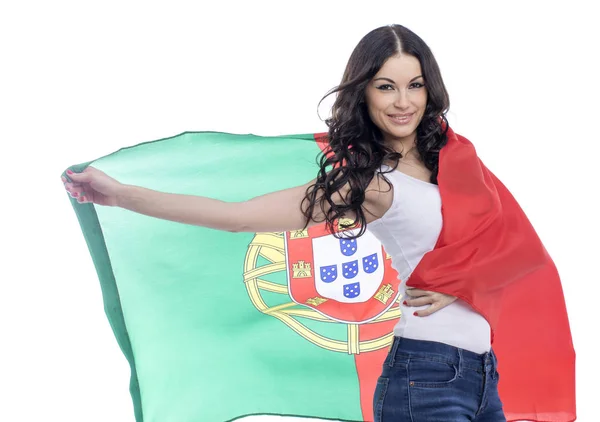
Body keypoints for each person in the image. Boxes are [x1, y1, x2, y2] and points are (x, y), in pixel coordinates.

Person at [62, 25, 573, 422]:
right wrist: (122, 195)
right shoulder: (368, 183)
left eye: (414, 85)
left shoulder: (457, 160)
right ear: (365, 94)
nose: (403, 101)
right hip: (425, 374)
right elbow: (237, 218)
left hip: (483, 373)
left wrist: (465, 281)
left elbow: (517, 253)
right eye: (385, 86)